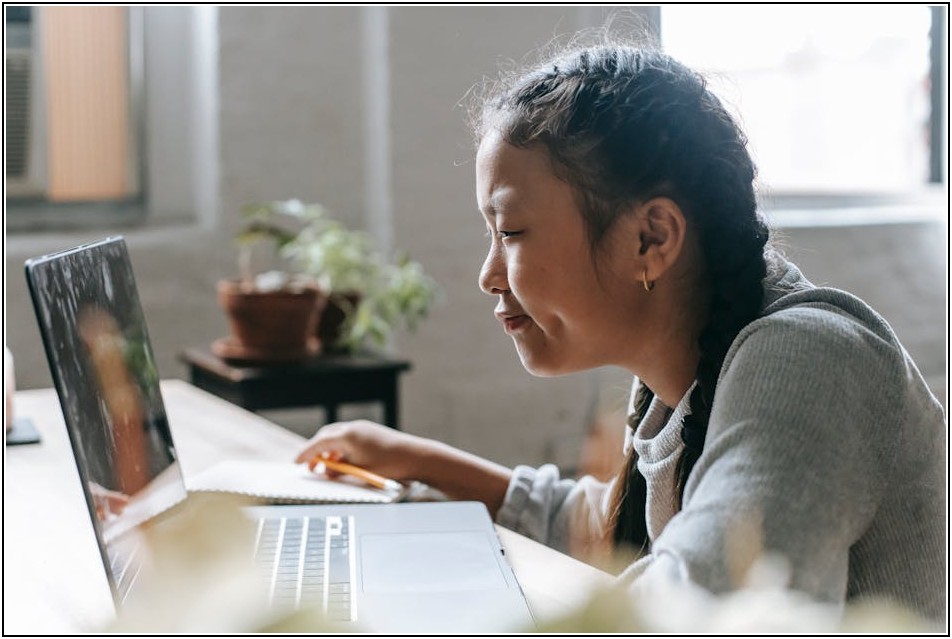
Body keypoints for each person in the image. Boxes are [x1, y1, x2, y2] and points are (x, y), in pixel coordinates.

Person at [294, 42, 946, 621]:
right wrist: (415, 461)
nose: (489, 275)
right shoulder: (685, 370)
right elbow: (613, 524)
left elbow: (699, 605)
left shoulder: (807, 362)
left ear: (651, 237)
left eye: (512, 231)